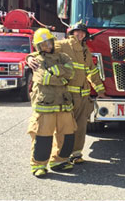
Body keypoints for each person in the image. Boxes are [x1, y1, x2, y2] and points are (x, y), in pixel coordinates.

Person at [26, 21, 106, 164]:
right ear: (71, 33)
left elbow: (92, 72)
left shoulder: (85, 50)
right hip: (68, 95)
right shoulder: (63, 45)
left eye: (83, 33)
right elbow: (44, 49)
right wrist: (29, 57)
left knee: (80, 127)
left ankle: (76, 154)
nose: (80, 35)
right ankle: (60, 156)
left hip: (83, 96)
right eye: (77, 32)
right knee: (64, 129)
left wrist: (101, 91)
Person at [27, 28, 77, 178]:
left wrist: (56, 71)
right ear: (38, 47)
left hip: (63, 103)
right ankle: (39, 165)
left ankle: (59, 161)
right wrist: (62, 78)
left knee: (67, 134)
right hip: (45, 104)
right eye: (43, 45)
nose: (47, 47)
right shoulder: (37, 60)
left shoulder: (63, 56)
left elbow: (71, 72)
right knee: (43, 136)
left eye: (48, 43)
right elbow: (44, 78)